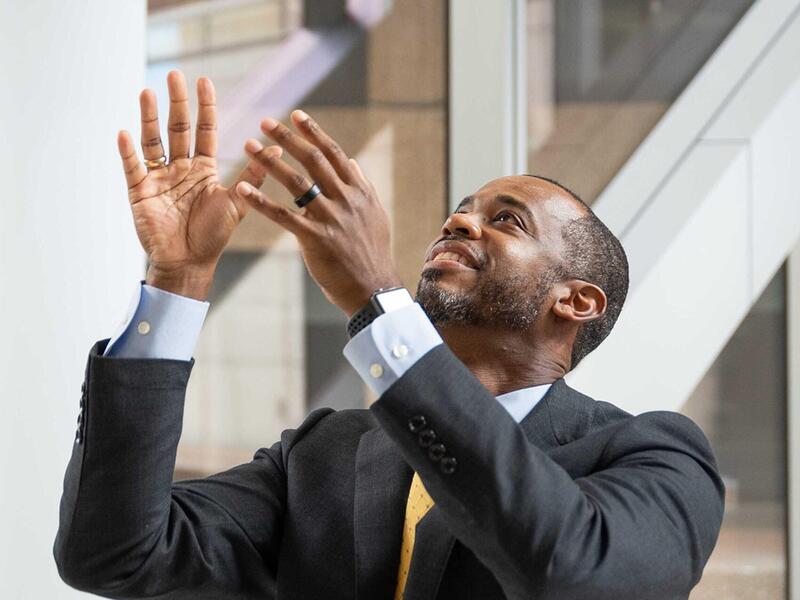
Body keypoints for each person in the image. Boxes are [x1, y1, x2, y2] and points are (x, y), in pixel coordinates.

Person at [53, 70, 724, 600]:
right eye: (460, 212)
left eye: (508, 221)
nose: (460, 224)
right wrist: (177, 281)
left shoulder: (654, 457)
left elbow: (574, 577)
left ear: (576, 301)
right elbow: (114, 556)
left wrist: (377, 302)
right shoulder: (323, 454)